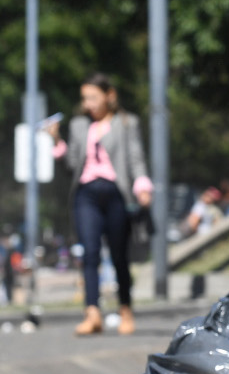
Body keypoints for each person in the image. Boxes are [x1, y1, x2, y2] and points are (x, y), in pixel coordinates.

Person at [49, 73, 152, 336]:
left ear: (109, 96)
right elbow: (72, 164)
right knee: (90, 252)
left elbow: (136, 158)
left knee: (119, 256)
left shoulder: (126, 123)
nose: (88, 104)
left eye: (93, 97)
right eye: (85, 98)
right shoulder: (80, 125)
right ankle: (92, 312)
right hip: (86, 194)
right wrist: (56, 142)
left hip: (116, 193)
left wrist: (142, 185)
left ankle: (125, 309)